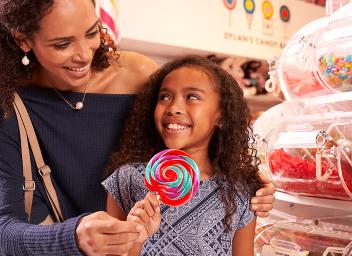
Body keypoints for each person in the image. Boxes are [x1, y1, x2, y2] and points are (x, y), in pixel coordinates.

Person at [0, 0, 275, 255]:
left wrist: (248, 177)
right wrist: (73, 237)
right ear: (24, 40)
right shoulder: (9, 101)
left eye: (91, 32)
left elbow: (191, 134)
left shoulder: (136, 76)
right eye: (62, 44)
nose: (84, 55)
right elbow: (3, 228)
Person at [103, 55, 264, 255]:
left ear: (221, 115)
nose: (173, 108)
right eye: (164, 97)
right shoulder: (127, 179)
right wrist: (136, 238)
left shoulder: (239, 191)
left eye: (192, 97)